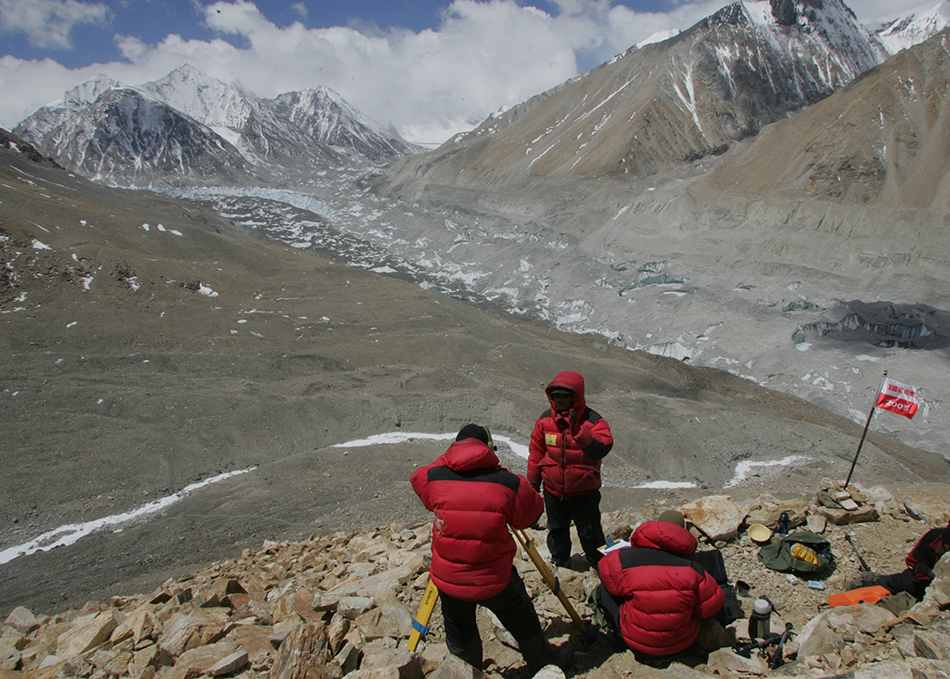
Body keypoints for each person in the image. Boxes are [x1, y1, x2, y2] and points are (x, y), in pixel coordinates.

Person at [410, 424, 566, 674]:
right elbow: (531, 513)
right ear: (488, 448)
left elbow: (418, 478)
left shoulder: (435, 477)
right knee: (523, 619)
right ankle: (543, 665)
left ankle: (468, 671)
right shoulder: (506, 483)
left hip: (449, 581)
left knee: (460, 635)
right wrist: (505, 474)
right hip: (495, 579)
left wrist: (449, 458)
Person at [594, 511, 726, 659]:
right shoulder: (694, 569)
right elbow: (713, 606)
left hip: (636, 642)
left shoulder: (625, 560)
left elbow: (603, 570)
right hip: (681, 643)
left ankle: (615, 635)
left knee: (603, 590)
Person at [528, 370, 613, 568]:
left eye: (565, 396)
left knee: (590, 533)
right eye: (556, 396)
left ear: (575, 396)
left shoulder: (593, 421)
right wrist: (533, 485)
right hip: (553, 490)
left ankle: (603, 569)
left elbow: (601, 449)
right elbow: (536, 454)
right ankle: (560, 563)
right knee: (557, 530)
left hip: (584, 492)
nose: (560, 400)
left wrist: (579, 433)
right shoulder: (544, 420)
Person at [873, 524, 949, 600]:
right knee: (894, 583)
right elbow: (912, 562)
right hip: (920, 580)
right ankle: (870, 582)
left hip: (940, 589)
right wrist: (927, 572)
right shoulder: (933, 537)